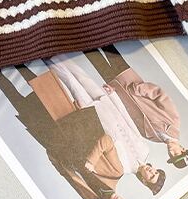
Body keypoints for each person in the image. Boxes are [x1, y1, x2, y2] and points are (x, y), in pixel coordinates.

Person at [48, 58, 168, 190]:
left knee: (71, 82)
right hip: (109, 105)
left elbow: (100, 140)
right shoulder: (145, 149)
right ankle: (57, 54)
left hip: (94, 114)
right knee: (81, 75)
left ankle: (48, 58)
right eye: (155, 172)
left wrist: (84, 116)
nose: (152, 172)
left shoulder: (123, 168)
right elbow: (129, 122)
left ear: (144, 181)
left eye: (151, 177)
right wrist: (114, 96)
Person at [45, 105, 132, 199]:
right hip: (71, 121)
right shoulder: (117, 172)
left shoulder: (87, 196)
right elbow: (107, 140)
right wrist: (92, 161)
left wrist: (51, 155)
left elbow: (65, 174)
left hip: (54, 139)